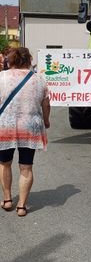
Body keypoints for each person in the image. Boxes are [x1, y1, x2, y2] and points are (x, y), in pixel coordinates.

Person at [0, 47, 50, 217]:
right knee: (26, 167)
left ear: (11, 60)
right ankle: (21, 206)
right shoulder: (39, 80)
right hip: (30, 127)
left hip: (5, 127)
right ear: (28, 60)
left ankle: (7, 200)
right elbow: (46, 105)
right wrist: (47, 121)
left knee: (4, 163)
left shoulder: (1, 77)